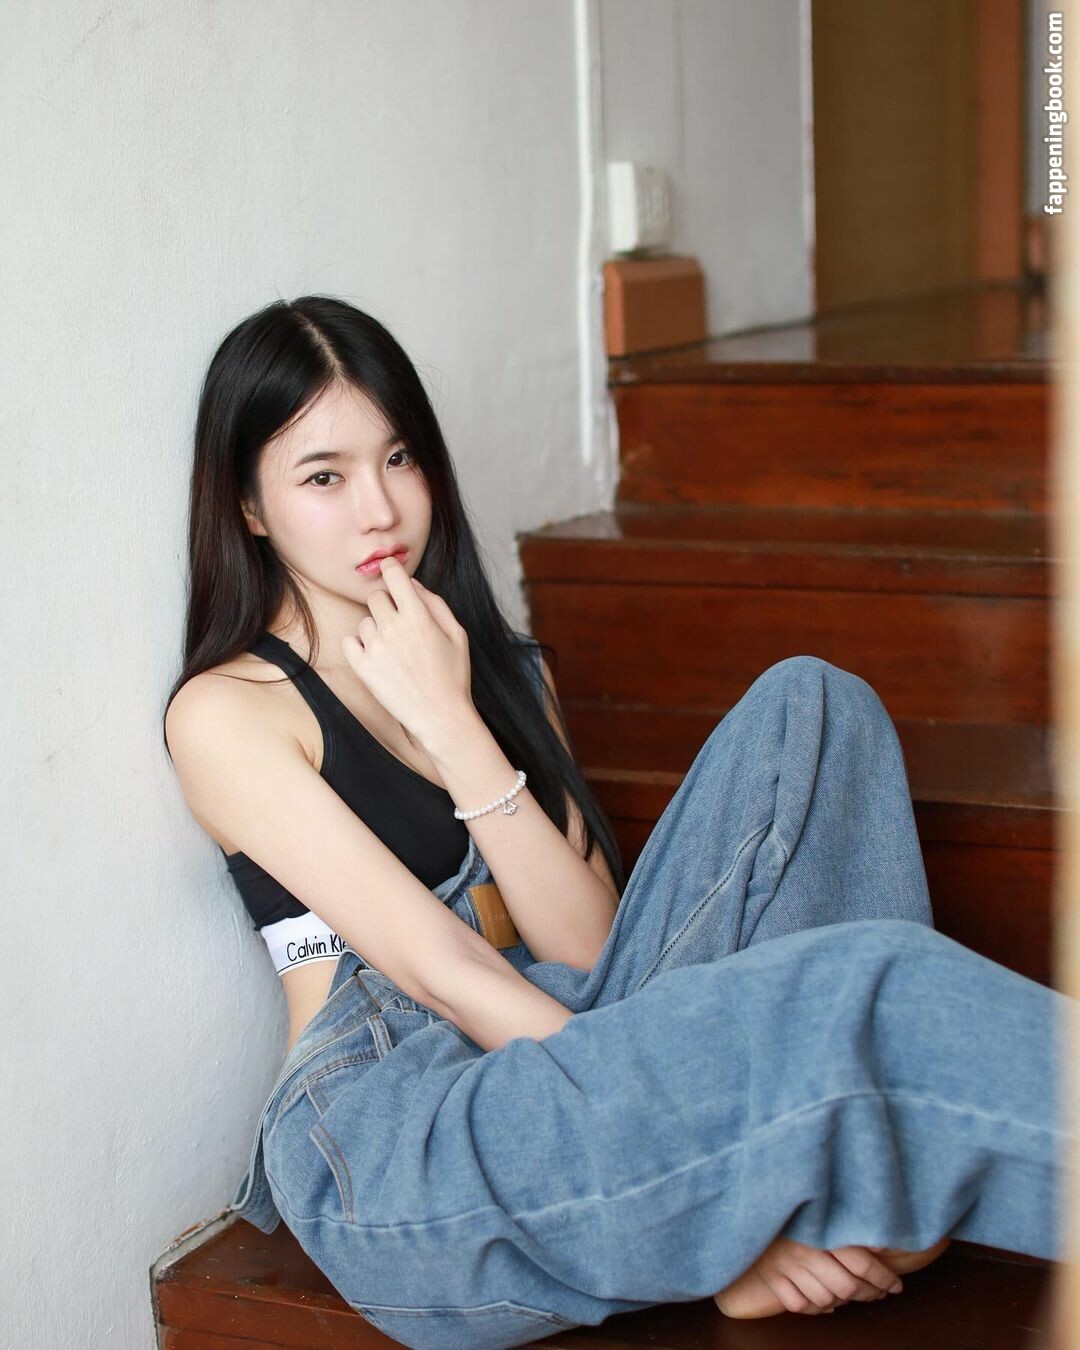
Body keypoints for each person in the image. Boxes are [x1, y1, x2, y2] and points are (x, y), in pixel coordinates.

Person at [162, 295, 1067, 1350]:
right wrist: (694, 1155)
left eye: (399, 458)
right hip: (406, 1129)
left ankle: (772, 1193)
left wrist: (455, 723)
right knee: (864, 987)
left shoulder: (498, 672)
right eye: (324, 477)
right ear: (249, 506)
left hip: (568, 1034)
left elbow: (590, 951)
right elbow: (445, 972)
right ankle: (774, 1196)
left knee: (816, 706)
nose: (381, 509)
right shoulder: (229, 715)